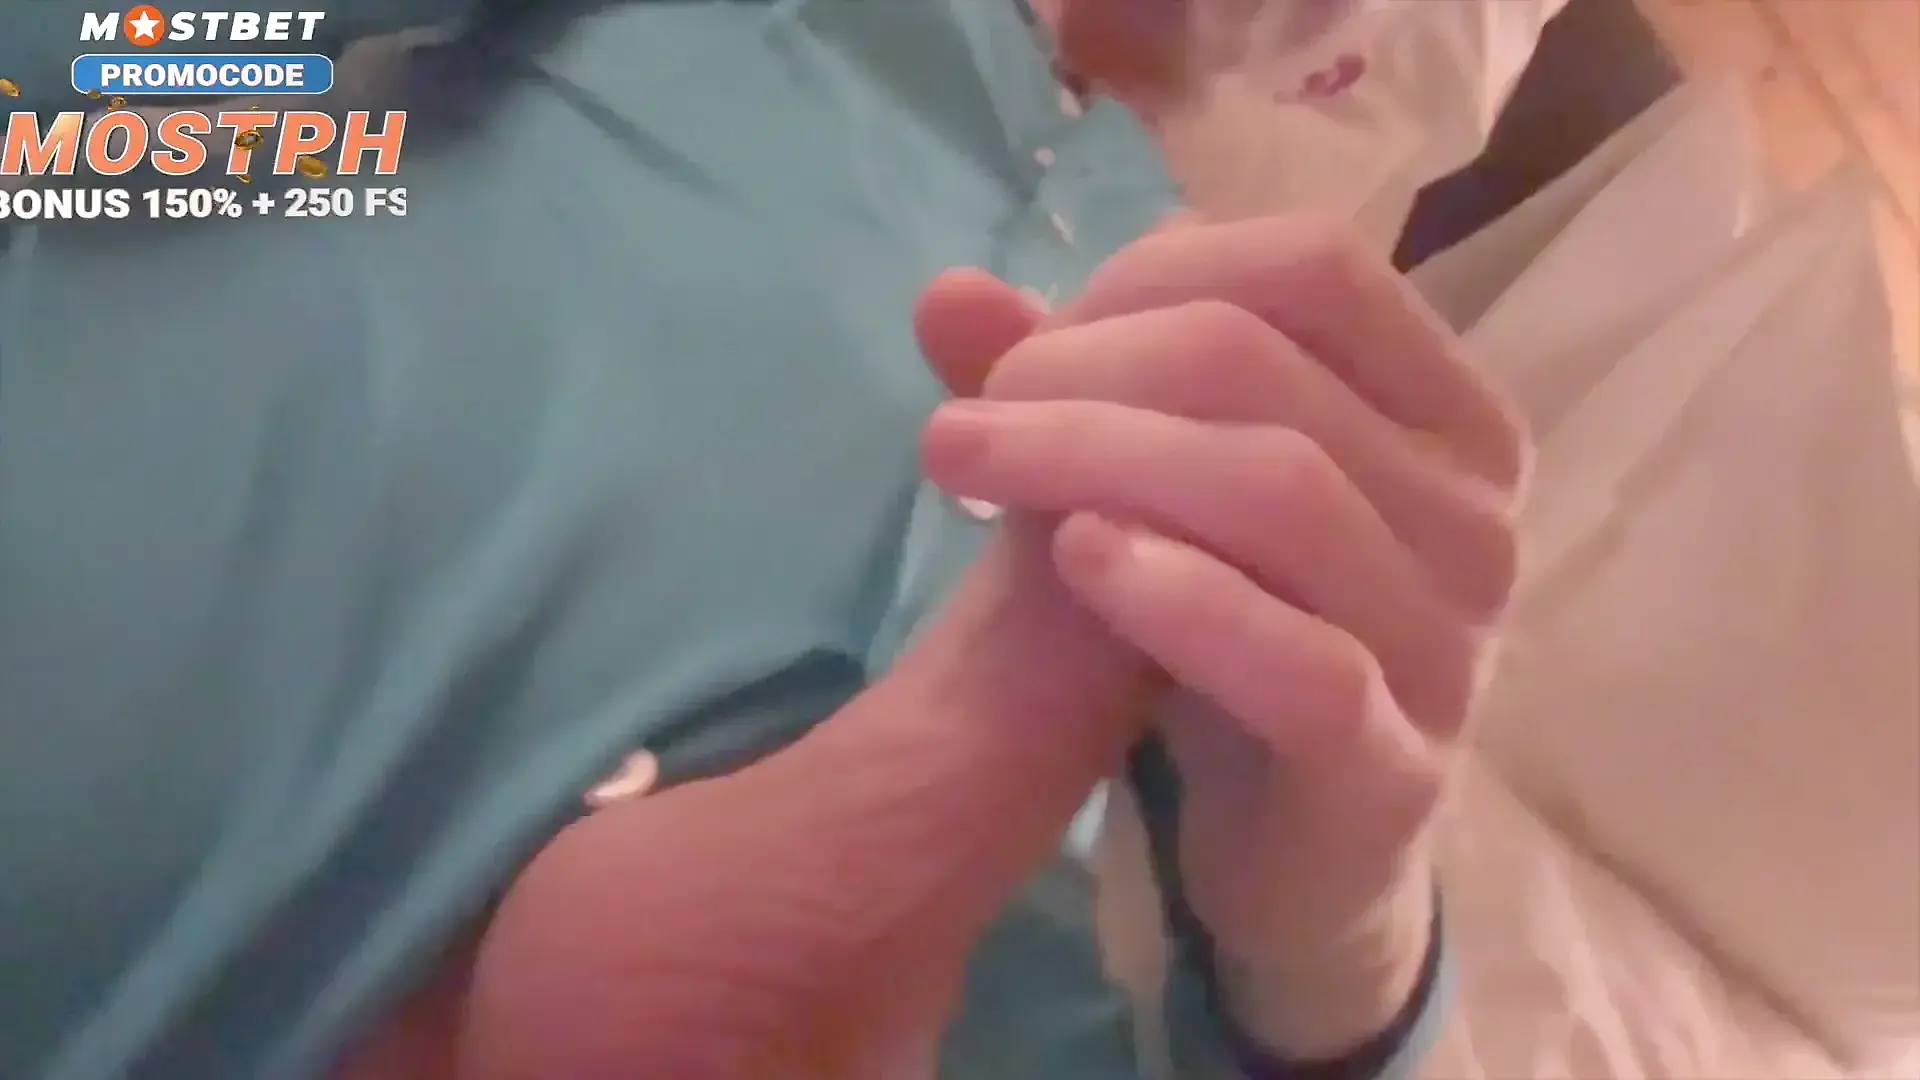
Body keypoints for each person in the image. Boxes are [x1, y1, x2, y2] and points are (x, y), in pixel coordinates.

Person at [0, 1, 1534, 1077]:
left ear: (1346, 71)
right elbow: (69, 88)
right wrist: (255, 102)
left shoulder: (1268, 409)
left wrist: (1338, 973)